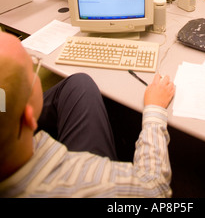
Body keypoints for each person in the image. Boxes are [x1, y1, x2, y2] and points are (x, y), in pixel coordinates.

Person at [0, 32, 175, 198]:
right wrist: (155, 108)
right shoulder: (89, 182)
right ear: (28, 118)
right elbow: (155, 187)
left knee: (79, 83)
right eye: (32, 69)